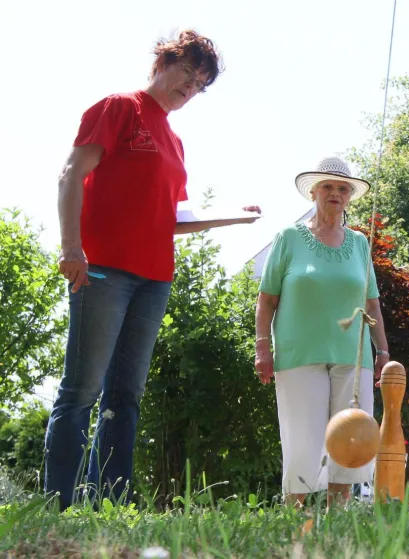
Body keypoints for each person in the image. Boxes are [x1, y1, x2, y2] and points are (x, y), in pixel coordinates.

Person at [45, 30, 261, 511]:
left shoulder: (175, 141)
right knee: (82, 389)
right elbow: (71, 173)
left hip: (154, 279)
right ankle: (57, 505)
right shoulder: (120, 107)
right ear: (162, 63)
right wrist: (71, 247)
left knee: (126, 395)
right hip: (102, 269)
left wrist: (233, 216)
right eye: (187, 72)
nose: (191, 87)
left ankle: (111, 504)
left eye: (200, 84)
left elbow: (170, 218)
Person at [256, 156, 390, 508]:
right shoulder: (289, 237)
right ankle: (295, 514)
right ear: (313, 192)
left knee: (350, 437)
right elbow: (267, 300)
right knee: (303, 438)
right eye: (328, 186)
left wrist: (383, 352)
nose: (335, 193)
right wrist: (262, 348)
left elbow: (372, 304)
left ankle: (338, 516)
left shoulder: (360, 243)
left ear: (349, 196)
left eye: (342, 188)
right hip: (299, 354)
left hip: (353, 356)